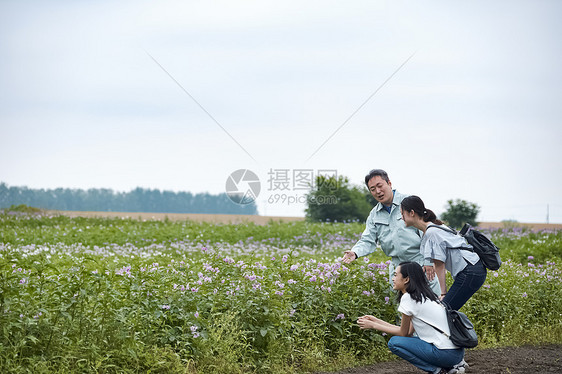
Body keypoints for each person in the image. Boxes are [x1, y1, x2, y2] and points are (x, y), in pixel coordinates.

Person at [342, 169, 440, 295]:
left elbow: (427, 232)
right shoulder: (374, 215)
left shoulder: (408, 203)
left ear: (389, 183)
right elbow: (367, 240)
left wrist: (429, 261)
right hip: (397, 268)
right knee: (403, 309)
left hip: (420, 263)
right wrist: (355, 252)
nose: (378, 191)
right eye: (372, 189)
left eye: (380, 186)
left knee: (432, 305)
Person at [358, 262, 464, 374]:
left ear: (406, 279)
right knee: (405, 340)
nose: (393, 279)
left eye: (395, 275)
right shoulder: (425, 296)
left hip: (445, 353)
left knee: (394, 343)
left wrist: (373, 325)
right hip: (456, 353)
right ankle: (450, 368)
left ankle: (437, 371)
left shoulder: (408, 298)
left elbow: (403, 333)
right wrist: (375, 320)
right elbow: (408, 332)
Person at [400, 195, 487, 311]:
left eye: (402, 214)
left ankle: (461, 329)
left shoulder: (432, 232)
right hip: (474, 269)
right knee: (447, 311)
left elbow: (439, 264)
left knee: (444, 310)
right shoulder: (435, 226)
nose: (401, 218)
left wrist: (443, 293)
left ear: (411, 213)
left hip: (470, 271)